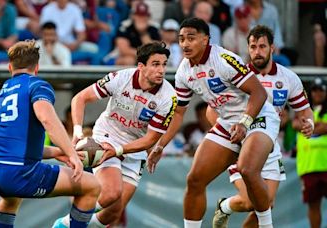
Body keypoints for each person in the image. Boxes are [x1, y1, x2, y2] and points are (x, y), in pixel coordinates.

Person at [147, 18, 280, 228]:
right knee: (194, 180)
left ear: (206, 39)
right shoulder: (183, 71)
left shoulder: (224, 59)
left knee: (247, 169)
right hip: (228, 123)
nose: (185, 44)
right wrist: (160, 144)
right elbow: (179, 113)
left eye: (191, 38)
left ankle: (266, 226)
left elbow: (259, 92)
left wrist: (245, 122)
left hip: (258, 118)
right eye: (181, 39)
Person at [52, 41, 177, 227]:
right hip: (107, 136)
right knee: (111, 193)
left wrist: (118, 150)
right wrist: (77, 131)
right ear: (141, 67)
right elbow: (80, 98)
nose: (161, 70)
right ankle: (69, 222)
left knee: (113, 213)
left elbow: (150, 139)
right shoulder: (120, 78)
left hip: (135, 148)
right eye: (155, 64)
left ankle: (67, 223)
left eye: (164, 64)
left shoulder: (169, 97)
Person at [0, 40, 101, 228]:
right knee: (92, 186)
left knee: (11, 199)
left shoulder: (4, 92)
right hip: (17, 172)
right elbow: (47, 119)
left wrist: (57, 152)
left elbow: (19, 144)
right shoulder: (38, 85)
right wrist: (71, 153)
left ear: (9, 67)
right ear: (37, 67)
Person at [211, 25, 314, 228]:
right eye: (253, 47)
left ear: (272, 48)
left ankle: (226, 206)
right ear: (248, 49)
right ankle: (225, 206)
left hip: (269, 147)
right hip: (242, 145)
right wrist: (225, 130)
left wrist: (309, 123)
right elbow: (210, 110)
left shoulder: (288, 78)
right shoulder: (237, 76)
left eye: (262, 46)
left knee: (266, 204)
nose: (257, 52)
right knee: (252, 202)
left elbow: (304, 110)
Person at [296, 77, 327, 228]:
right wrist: (319, 125)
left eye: (321, 90)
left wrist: (311, 125)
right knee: (313, 206)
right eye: (315, 90)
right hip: (308, 166)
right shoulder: (303, 111)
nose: (318, 93)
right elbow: (295, 124)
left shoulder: (305, 115)